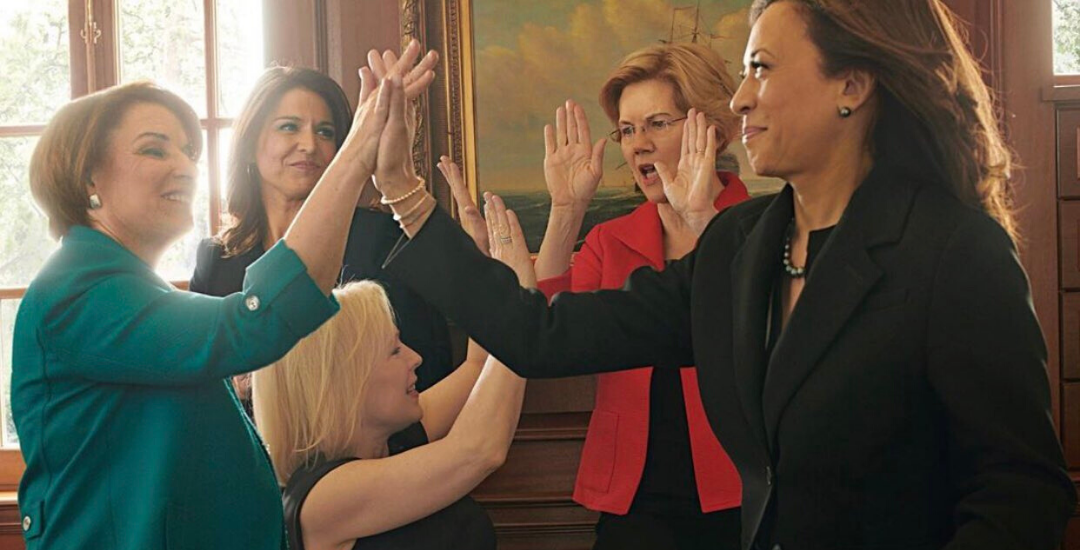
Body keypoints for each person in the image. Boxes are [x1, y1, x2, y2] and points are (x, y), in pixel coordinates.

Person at [367, 1, 1079, 549]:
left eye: (761, 68)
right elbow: (540, 335)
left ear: (852, 86)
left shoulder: (952, 250)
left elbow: (1019, 494)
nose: (738, 100)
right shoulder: (741, 248)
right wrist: (401, 186)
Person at [12, 64, 403, 549]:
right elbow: (258, 322)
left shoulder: (127, 288)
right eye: (155, 149)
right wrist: (355, 154)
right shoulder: (79, 291)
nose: (185, 165)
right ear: (88, 176)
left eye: (189, 151)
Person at [515, 42, 749, 550]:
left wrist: (701, 219)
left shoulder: (762, 229)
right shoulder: (610, 239)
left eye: (658, 123)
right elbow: (546, 333)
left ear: (713, 129)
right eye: (626, 129)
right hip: (634, 505)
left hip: (742, 497)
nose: (638, 144)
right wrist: (566, 209)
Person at [253, 186, 533, 550]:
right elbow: (480, 451)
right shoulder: (322, 496)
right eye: (394, 350)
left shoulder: (390, 442)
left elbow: (478, 366)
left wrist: (482, 274)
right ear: (346, 377)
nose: (415, 357)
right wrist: (520, 303)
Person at [191, 46, 451, 417]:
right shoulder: (216, 258)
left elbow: (429, 369)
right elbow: (197, 386)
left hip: (368, 458)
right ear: (250, 145)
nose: (310, 145)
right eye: (288, 127)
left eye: (325, 132)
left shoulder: (383, 240)